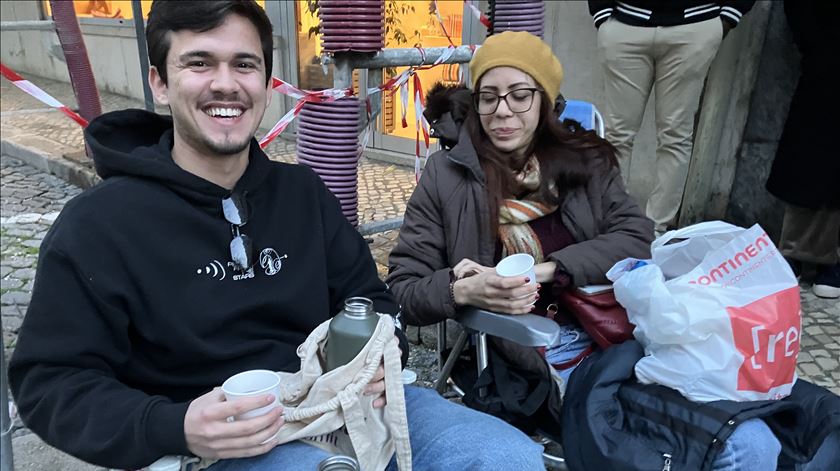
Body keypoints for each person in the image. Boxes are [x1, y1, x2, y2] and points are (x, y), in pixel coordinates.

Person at [7, 2, 544, 470]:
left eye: (245, 64)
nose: (225, 83)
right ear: (160, 82)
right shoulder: (98, 224)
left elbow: (375, 302)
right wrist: (174, 425)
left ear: (267, 84)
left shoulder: (302, 194)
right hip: (215, 448)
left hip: (347, 404)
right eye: (199, 63)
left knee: (508, 456)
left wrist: (382, 356)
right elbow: (50, 381)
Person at [387, 30, 839, 471]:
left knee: (793, 428)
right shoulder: (447, 178)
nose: (503, 111)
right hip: (545, 358)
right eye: (490, 96)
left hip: (634, 331)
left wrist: (548, 271)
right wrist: (466, 290)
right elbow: (403, 289)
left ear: (544, 99)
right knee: (745, 444)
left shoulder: (585, 158)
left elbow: (635, 236)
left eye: (520, 94)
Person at [588, 1, 755, 234]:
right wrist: (602, 14)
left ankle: (654, 232)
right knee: (616, 135)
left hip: (695, 26)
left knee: (675, 136)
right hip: (625, 24)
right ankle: (611, 225)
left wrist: (728, 17)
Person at [766, 1, 839, 299]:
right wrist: (820, 50)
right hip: (827, 61)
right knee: (809, 158)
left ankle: (831, 261)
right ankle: (794, 253)